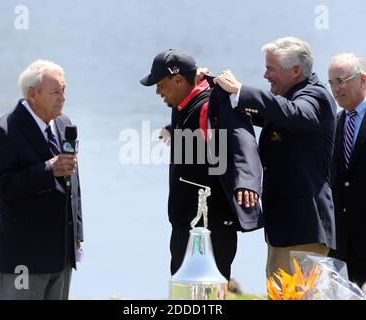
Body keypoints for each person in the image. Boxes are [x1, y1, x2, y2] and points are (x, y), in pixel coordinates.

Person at [213, 36, 337, 278]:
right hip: (284, 229)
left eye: (271, 68)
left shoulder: (316, 98)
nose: (265, 75)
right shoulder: (287, 101)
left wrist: (241, 90)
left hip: (304, 229)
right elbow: (266, 111)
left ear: (295, 71)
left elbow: (290, 113)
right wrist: (213, 85)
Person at [140, 49, 263, 280]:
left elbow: (242, 140)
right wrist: (173, 131)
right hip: (185, 226)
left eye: (160, 84)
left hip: (210, 230)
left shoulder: (215, 102)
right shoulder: (182, 102)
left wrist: (247, 181)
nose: (157, 90)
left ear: (178, 80)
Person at [0, 60, 83, 300]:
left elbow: (74, 186)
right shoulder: (4, 130)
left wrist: (77, 235)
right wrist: (48, 169)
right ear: (32, 94)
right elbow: (1, 186)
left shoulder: (63, 123)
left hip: (61, 256)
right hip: (24, 260)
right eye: (55, 92)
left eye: (64, 90)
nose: (63, 97)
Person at [327, 53, 366, 287]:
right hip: (341, 244)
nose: (336, 89)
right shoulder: (335, 123)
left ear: (362, 79)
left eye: (341, 80)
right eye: (331, 83)